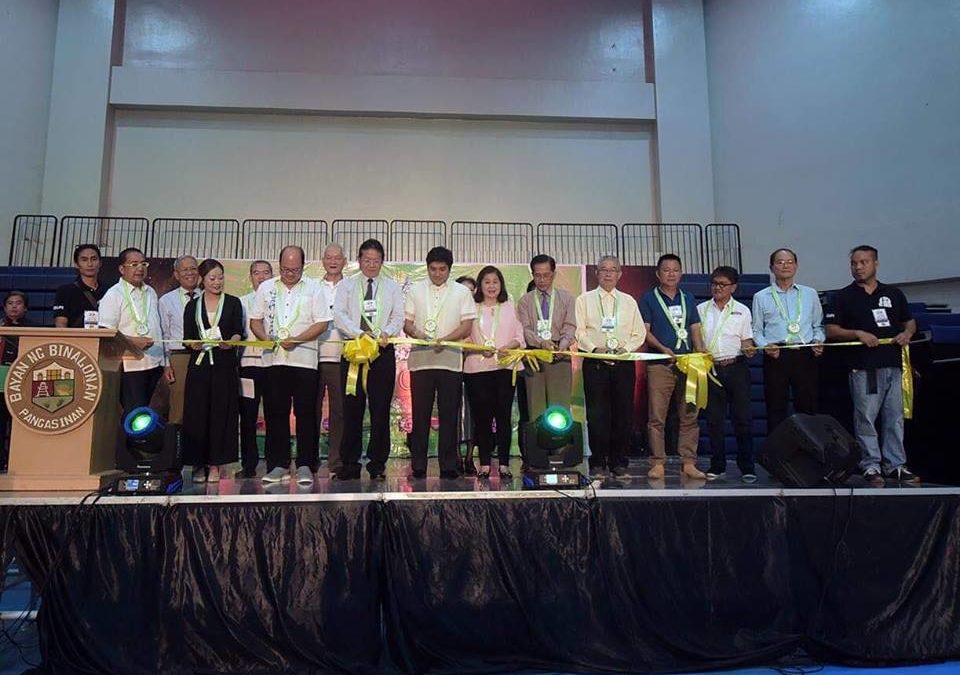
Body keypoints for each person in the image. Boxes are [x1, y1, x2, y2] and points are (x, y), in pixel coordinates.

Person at [825, 245, 918, 483]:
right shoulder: (843, 296)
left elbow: (909, 322)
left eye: (863, 262)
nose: (858, 267)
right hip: (863, 365)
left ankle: (895, 464)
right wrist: (858, 333)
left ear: (875, 263)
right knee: (865, 417)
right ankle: (870, 464)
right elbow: (831, 330)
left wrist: (907, 334)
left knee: (894, 417)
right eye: (854, 263)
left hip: (893, 363)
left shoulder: (893, 293)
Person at [249, 246, 330, 485]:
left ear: (303, 266)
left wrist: (297, 339)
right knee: (275, 413)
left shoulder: (315, 288)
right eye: (285, 269)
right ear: (279, 265)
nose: (289, 274)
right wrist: (265, 337)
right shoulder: (267, 288)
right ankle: (278, 464)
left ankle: (306, 463)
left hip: (304, 360)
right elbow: (255, 320)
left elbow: (322, 323)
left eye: (294, 270)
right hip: (273, 360)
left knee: (305, 413)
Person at [332, 238, 404, 481]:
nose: (371, 264)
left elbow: (398, 316)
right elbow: (339, 315)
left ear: (382, 262)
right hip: (354, 350)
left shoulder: (392, 287)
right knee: (352, 409)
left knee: (380, 409)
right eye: (367, 260)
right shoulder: (347, 286)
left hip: (381, 352)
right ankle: (350, 463)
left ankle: (377, 464)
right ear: (359, 260)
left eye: (376, 260)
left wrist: (387, 332)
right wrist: (358, 333)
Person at [403, 246, 476, 479]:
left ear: (450, 269)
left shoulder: (461, 293)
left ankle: (448, 465)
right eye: (433, 269)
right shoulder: (415, 290)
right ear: (427, 268)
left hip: (450, 361)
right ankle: (419, 465)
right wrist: (419, 334)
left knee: (449, 415)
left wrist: (446, 340)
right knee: (420, 414)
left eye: (442, 269)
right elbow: (407, 323)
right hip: (421, 360)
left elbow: (467, 326)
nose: (437, 274)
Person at [575, 256, 646, 477]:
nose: (608, 274)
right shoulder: (584, 300)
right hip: (595, 363)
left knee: (623, 414)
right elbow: (580, 331)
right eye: (603, 269)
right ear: (596, 273)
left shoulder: (628, 301)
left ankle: (619, 462)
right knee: (597, 415)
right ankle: (598, 462)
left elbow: (639, 333)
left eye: (613, 270)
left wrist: (625, 349)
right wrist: (595, 350)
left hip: (623, 364)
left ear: (620, 274)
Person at [639, 254, 706, 480]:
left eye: (675, 270)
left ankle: (688, 462)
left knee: (689, 415)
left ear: (681, 273)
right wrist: (661, 348)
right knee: (657, 416)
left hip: (689, 365)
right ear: (658, 274)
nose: (671, 274)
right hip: (660, 364)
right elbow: (644, 331)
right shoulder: (648, 298)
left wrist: (700, 353)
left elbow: (694, 327)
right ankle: (658, 462)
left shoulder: (688, 297)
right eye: (666, 270)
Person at [98, 248, 167, 458]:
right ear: (121, 268)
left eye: (143, 264)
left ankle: (149, 454)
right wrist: (132, 341)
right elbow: (106, 333)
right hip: (130, 365)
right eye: (134, 264)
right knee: (133, 415)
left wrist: (166, 361)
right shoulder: (114, 294)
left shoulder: (151, 292)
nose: (140, 268)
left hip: (154, 362)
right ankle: (130, 457)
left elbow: (157, 326)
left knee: (153, 414)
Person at [181, 259, 244, 483]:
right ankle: (198, 464)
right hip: (199, 366)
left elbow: (238, 331)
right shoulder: (192, 305)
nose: (217, 282)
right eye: (212, 278)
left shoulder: (233, 303)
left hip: (223, 365)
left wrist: (231, 341)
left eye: (220, 277)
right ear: (202, 280)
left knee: (221, 413)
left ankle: (216, 464)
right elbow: (187, 336)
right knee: (197, 414)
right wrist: (193, 344)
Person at [751, 248, 824, 435]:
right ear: (771, 267)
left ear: (796, 266)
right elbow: (757, 331)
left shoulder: (810, 293)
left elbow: (819, 326)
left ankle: (811, 453)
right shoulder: (761, 296)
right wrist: (765, 346)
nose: (785, 265)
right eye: (780, 262)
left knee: (808, 406)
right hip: (776, 355)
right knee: (775, 407)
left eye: (790, 261)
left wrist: (818, 341)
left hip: (804, 353)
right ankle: (778, 457)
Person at [464, 266, 525, 480]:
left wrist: (511, 345)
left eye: (495, 282)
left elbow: (520, 335)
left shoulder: (509, 306)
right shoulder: (470, 307)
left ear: (501, 285)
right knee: (481, 418)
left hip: (505, 367)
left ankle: (505, 464)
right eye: (487, 282)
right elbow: (463, 339)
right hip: (477, 368)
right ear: (480, 285)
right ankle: (484, 464)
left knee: (503, 416)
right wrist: (479, 348)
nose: (491, 286)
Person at [697, 266, 758, 483]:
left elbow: (746, 341)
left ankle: (747, 466)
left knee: (743, 419)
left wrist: (750, 348)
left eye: (723, 284)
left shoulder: (743, 310)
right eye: (714, 283)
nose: (717, 288)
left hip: (736, 367)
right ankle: (717, 464)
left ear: (733, 287)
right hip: (710, 369)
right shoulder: (701, 309)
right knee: (714, 420)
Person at [516, 254, 576, 421]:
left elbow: (570, 326)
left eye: (546, 275)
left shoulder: (567, 298)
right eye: (537, 275)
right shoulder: (525, 302)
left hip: (560, 354)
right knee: (536, 410)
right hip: (534, 356)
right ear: (532, 275)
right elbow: (525, 329)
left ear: (554, 274)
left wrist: (563, 345)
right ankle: (538, 446)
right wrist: (541, 342)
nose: (542, 280)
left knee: (560, 408)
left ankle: (560, 446)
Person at [237, 260, 273, 478]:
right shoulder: (241, 303)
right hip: (247, 366)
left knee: (274, 415)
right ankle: (248, 465)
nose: (261, 277)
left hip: (271, 365)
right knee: (248, 417)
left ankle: (275, 463)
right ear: (250, 277)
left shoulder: (280, 301)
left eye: (266, 273)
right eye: (256, 273)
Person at [159, 255, 201, 425]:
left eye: (193, 269)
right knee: (179, 408)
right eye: (185, 269)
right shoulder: (166, 300)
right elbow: (163, 335)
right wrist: (166, 364)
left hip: (205, 356)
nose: (190, 273)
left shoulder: (209, 297)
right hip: (179, 357)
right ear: (176, 275)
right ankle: (175, 449)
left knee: (202, 404)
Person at [317, 244, 347, 477]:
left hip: (342, 357)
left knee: (339, 411)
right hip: (312, 356)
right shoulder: (312, 287)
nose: (333, 261)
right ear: (322, 261)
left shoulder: (351, 287)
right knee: (310, 410)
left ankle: (336, 459)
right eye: (329, 257)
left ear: (345, 261)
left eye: (338, 257)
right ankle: (310, 458)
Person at [0, 291, 32, 471]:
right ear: (4, 307)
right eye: (10, 303)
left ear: (25, 308)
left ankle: (19, 462)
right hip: (1, 384)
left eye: (18, 303)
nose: (14, 306)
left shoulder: (34, 330)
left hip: (22, 384)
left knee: (19, 427)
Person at [454, 275, 478, 475]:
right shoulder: (450, 311)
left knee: (473, 411)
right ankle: (455, 456)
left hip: (474, 365)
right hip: (451, 364)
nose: (467, 294)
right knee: (451, 410)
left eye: (471, 291)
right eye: (463, 290)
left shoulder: (478, 313)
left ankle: (470, 457)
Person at [53, 244, 106, 328]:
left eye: (94, 259)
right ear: (76, 264)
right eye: (84, 260)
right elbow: (61, 324)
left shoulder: (110, 291)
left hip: (105, 339)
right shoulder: (65, 291)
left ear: (100, 263)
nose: (90, 264)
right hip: (76, 339)